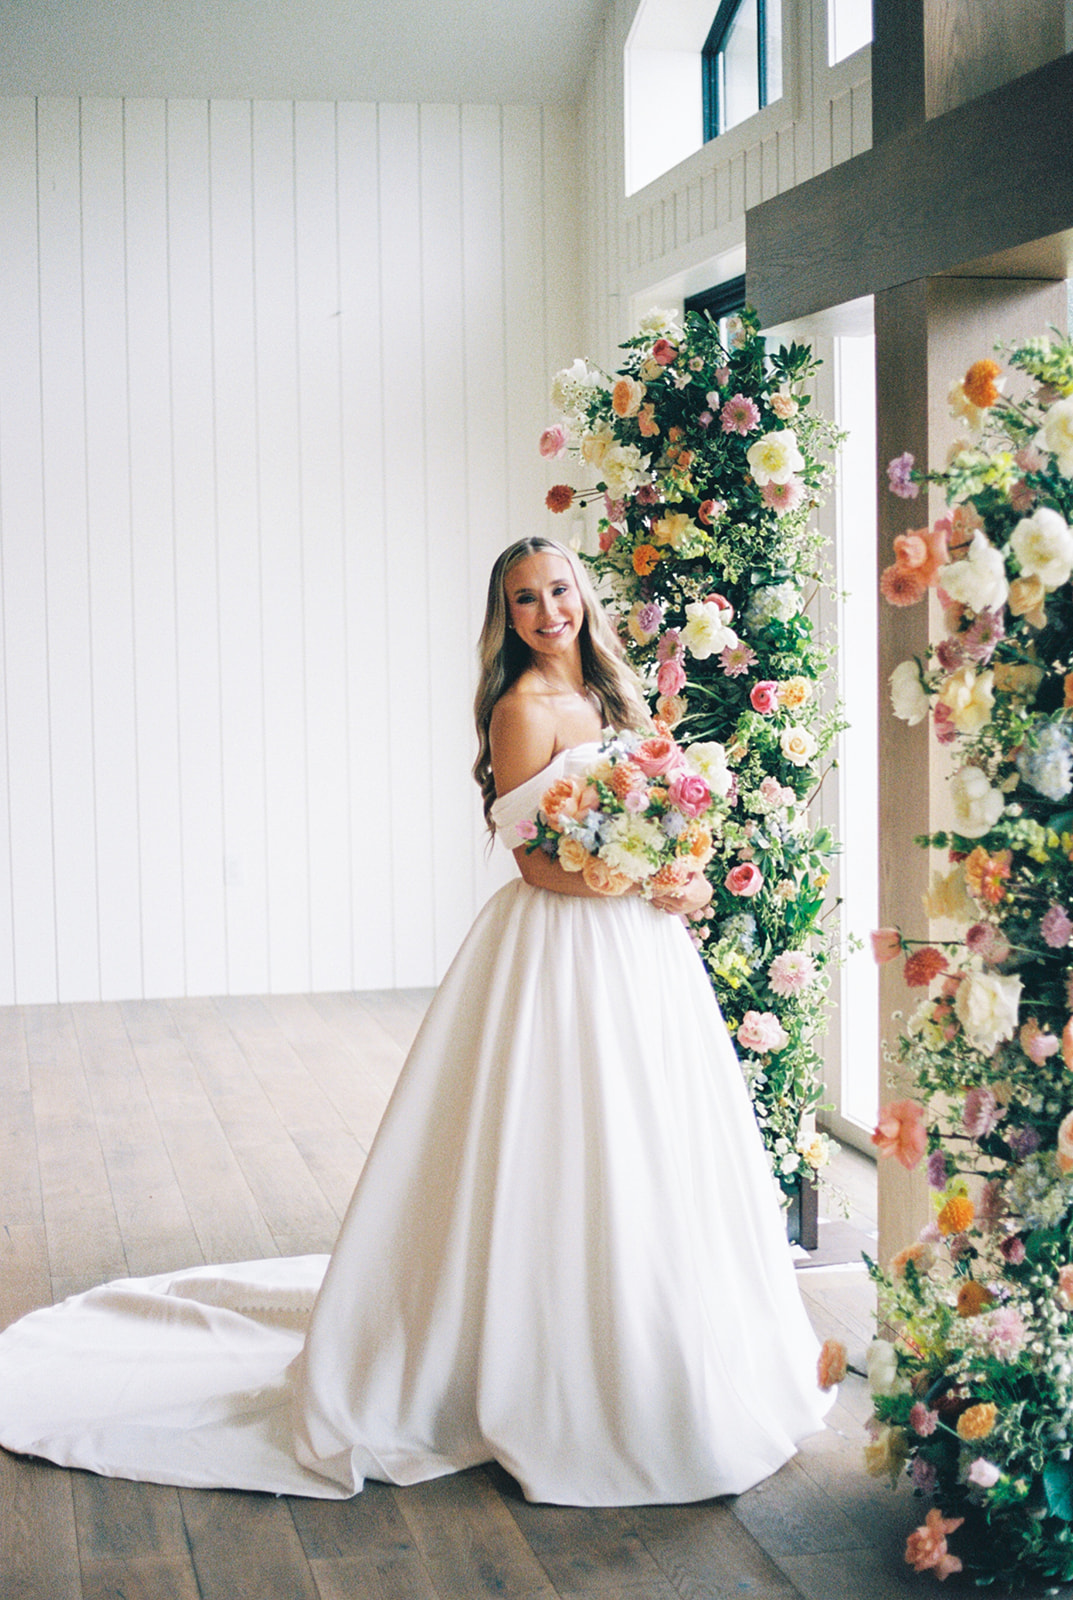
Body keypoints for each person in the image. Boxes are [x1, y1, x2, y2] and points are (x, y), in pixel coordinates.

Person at [0, 536, 830, 1505]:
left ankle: (664, 1339)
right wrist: (641, 878)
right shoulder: (520, 709)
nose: (548, 612)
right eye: (524, 600)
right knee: (558, 1133)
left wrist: (680, 876)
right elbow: (534, 864)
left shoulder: (616, 700)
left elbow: (663, 821)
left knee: (651, 1132)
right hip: (561, 943)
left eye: (558, 590)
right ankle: (542, 1353)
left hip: (641, 951)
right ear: (505, 616)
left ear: (582, 596)